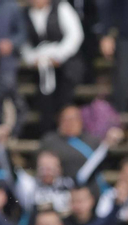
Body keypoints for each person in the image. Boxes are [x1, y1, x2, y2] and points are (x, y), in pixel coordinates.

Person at [21, 0, 86, 137]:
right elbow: (24, 43)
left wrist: (58, 56)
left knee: (63, 98)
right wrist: (34, 59)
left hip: (66, 64)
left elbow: (75, 35)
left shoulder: (61, 7)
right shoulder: (25, 14)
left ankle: (66, 134)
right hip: (42, 66)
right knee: (44, 102)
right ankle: (48, 135)